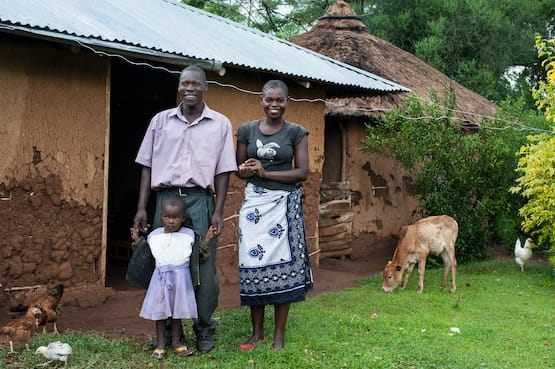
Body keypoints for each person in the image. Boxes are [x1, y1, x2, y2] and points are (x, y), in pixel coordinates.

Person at [133, 65, 237, 352]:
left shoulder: (220, 124)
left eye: (195, 84)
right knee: (164, 265)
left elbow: (224, 171)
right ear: (179, 87)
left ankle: (203, 329)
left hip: (201, 200)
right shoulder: (160, 121)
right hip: (165, 201)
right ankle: (166, 331)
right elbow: (146, 166)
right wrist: (142, 208)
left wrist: (218, 210)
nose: (189, 88)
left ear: (205, 87)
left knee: (203, 267)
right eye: (184, 84)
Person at [235, 79, 314, 351]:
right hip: (254, 205)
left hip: (284, 205)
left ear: (287, 102)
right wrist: (246, 170)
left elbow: (303, 171)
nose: (274, 105)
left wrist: (267, 173)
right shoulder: (246, 130)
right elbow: (238, 169)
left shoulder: (296, 132)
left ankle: (278, 336)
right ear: (261, 100)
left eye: (280, 100)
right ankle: (257, 333)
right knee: (252, 266)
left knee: (285, 267)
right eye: (269, 100)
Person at [131, 197, 217, 360]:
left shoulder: (188, 235)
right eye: (167, 217)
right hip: (160, 280)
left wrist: (207, 239)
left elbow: (198, 255)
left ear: (183, 218)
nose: (171, 221)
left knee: (177, 313)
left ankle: (177, 343)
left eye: (175, 218)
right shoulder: (154, 236)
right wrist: (137, 241)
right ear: (161, 216)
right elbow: (146, 255)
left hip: (181, 279)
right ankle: (160, 344)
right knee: (160, 314)